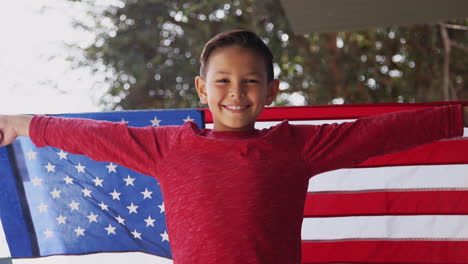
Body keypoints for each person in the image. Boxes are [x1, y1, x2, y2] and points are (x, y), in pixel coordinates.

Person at [0, 29, 467, 264]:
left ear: (271, 91)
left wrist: (458, 117)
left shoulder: (294, 147)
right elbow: (91, 136)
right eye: (223, 81)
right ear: (203, 90)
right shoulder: (167, 146)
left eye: (250, 82)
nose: (236, 93)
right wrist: (20, 124)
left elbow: (378, 133)